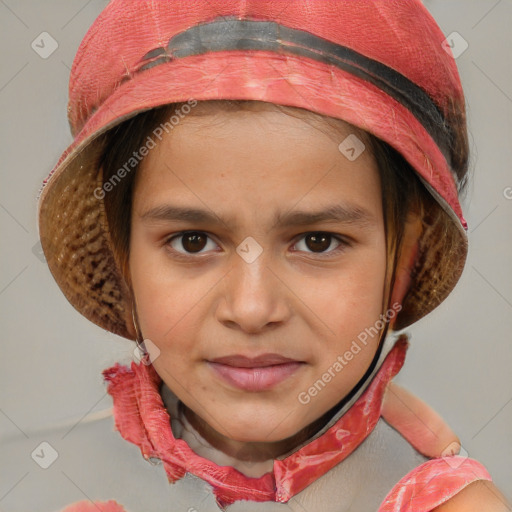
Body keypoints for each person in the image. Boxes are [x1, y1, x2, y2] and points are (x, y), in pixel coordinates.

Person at [36, 1, 510, 510]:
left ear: (405, 260)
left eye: (317, 242)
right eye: (193, 241)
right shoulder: (41, 479)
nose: (252, 309)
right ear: (120, 257)